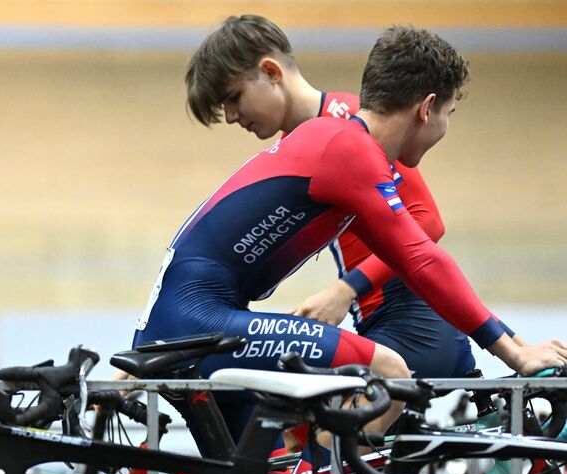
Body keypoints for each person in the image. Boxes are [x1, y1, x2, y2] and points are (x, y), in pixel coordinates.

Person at [135, 24, 567, 450]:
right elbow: (420, 258)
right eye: (450, 116)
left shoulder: (331, 139)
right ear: (427, 108)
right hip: (196, 321)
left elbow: (415, 249)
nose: (232, 116)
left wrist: (514, 344)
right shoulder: (346, 147)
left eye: (233, 99)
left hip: (187, 320)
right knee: (390, 375)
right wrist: (514, 353)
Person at [185, 14, 474, 383]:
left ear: (272, 72)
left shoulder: (352, 122)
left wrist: (345, 289)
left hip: (410, 317)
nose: (230, 117)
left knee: (290, 414)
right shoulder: (297, 149)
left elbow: (427, 220)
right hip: (383, 316)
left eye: (233, 98)